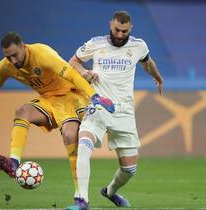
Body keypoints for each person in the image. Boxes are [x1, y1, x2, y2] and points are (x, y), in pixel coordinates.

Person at [0, 32, 114, 199]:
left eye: (15, 55)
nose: (13, 60)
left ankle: (80, 196)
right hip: (48, 100)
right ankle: (14, 162)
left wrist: (94, 96)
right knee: (22, 111)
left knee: (70, 136)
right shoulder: (5, 67)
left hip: (71, 95)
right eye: (8, 57)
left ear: (23, 47)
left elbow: (70, 74)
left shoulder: (42, 54)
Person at [66, 11, 164, 210]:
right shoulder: (95, 43)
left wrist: (158, 77)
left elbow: (148, 63)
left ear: (131, 28)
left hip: (125, 111)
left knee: (129, 169)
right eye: (117, 30)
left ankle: (110, 192)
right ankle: (82, 200)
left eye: (124, 31)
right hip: (99, 105)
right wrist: (85, 72)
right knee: (83, 144)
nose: (120, 35)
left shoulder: (139, 45)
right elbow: (73, 61)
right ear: (111, 25)